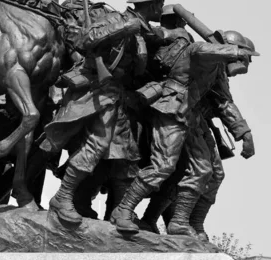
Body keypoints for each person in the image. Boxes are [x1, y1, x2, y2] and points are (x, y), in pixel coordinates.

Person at [42, 0, 173, 225]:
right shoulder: (118, 19)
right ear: (152, 5)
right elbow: (86, 39)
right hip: (96, 93)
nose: (162, 9)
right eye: (160, 4)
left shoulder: (143, 31)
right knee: (96, 145)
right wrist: (125, 27)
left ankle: (120, 213)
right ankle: (62, 198)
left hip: (118, 97)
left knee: (126, 155)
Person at [110, 25, 256, 236]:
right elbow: (199, 49)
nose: (244, 64)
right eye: (245, 59)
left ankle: (179, 221)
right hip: (171, 110)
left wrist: (243, 133)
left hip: (190, 118)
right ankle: (123, 210)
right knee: (163, 166)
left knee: (204, 169)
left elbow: (224, 102)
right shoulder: (198, 51)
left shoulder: (217, 70)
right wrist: (236, 52)